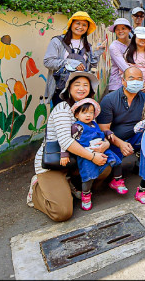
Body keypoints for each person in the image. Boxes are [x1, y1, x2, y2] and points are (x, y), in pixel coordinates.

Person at [28, 71, 111, 222]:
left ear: (90, 90)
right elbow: (66, 141)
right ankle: (36, 190)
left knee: (106, 168)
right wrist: (93, 157)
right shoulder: (62, 109)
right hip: (54, 162)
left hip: (76, 160)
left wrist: (105, 144)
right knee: (62, 213)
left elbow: (97, 133)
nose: (81, 88)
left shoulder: (88, 108)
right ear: (69, 89)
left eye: (85, 85)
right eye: (77, 85)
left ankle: (72, 185)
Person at [67, 98, 124, 211]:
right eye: (84, 112)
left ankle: (117, 180)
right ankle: (86, 195)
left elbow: (100, 133)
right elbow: (68, 142)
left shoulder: (94, 124)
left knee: (116, 161)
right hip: (87, 153)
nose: (88, 115)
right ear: (77, 115)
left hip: (101, 148)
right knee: (89, 176)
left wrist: (107, 133)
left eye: (91, 112)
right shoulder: (76, 127)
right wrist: (64, 154)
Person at [43, 11, 105, 108]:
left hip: (81, 92)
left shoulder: (87, 46)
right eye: (78, 23)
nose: (80, 27)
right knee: (62, 119)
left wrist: (97, 53)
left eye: (84, 25)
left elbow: (91, 67)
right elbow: (48, 62)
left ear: (87, 28)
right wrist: (69, 62)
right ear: (71, 24)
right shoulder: (57, 41)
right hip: (61, 91)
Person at [107, 18, 133, 92]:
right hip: (117, 84)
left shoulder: (134, 44)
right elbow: (124, 67)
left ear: (129, 30)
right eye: (117, 29)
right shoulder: (114, 46)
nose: (120, 31)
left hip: (132, 83)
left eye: (123, 28)